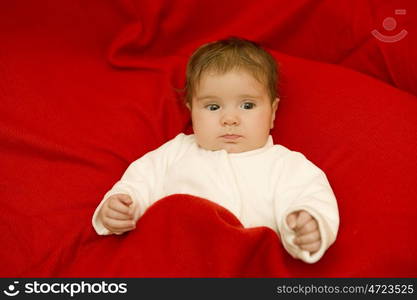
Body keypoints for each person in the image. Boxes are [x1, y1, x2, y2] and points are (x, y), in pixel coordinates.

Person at [92, 37, 339, 263]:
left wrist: (308, 224)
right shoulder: (175, 152)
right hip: (170, 262)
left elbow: (312, 196)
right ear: (191, 111)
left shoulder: (286, 165)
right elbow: (138, 182)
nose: (229, 118)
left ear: (273, 112)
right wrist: (119, 207)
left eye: (247, 105)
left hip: (244, 268)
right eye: (212, 107)